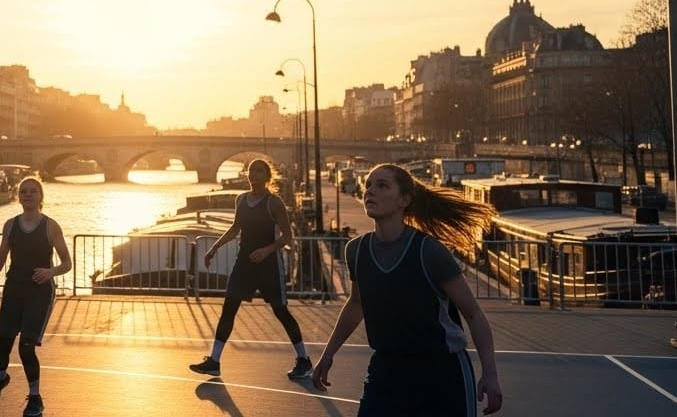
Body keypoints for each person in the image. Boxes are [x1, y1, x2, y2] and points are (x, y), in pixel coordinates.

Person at [312, 163, 504, 416]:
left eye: (382, 186)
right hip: (386, 369)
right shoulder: (356, 250)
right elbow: (357, 304)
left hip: (440, 372)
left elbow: (473, 315)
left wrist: (490, 374)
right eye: (368, 185)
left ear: (404, 200)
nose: (371, 191)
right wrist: (328, 354)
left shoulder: (428, 252)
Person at [189, 158, 312, 380]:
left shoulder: (274, 203)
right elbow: (235, 228)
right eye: (251, 171)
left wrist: (266, 251)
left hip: (269, 266)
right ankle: (214, 361)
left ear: (267, 177)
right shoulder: (241, 199)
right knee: (229, 308)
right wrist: (214, 248)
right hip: (244, 263)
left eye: (258, 171)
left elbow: (287, 236)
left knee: (280, 311)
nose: (253, 174)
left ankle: (304, 359)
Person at [0, 176, 72, 417]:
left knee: (26, 346)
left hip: (39, 292)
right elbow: (2, 256)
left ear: (41, 197)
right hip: (14, 289)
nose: (28, 195)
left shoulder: (50, 226)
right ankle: (1, 377)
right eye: (24, 192)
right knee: (2, 344)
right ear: (18, 197)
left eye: (33, 191)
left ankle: (35, 397)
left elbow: (67, 262)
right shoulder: (10, 225)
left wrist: (50, 272)